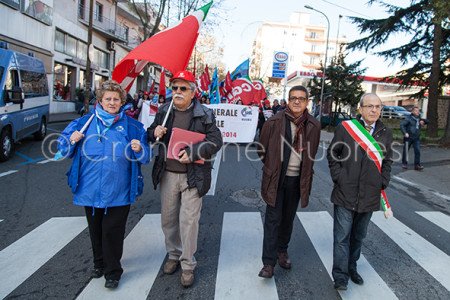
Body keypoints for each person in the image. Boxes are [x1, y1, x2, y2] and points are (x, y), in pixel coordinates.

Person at [57, 80, 150, 289]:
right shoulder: (84, 122)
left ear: (122, 102)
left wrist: (139, 148)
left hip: (120, 189)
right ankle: (98, 264)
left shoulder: (133, 127)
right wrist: (71, 140)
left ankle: (113, 272)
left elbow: (146, 156)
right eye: (107, 98)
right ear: (100, 100)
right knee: (95, 229)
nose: (112, 102)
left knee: (113, 231)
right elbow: (61, 149)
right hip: (89, 188)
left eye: (116, 99)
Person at [147, 70, 223, 287]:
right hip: (168, 174)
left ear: (193, 92)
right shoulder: (164, 110)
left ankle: (188, 264)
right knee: (168, 219)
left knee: (188, 222)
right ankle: (173, 255)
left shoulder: (205, 113)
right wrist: (154, 133)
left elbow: (216, 140)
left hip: (193, 176)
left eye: (183, 88)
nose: (178, 92)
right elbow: (150, 133)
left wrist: (194, 152)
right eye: (175, 88)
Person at [327, 93, 393, 290]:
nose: (374, 110)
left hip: (370, 194)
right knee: (341, 237)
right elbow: (333, 154)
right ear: (361, 108)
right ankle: (340, 276)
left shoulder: (385, 133)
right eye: (370, 106)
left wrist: (383, 181)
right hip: (345, 193)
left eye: (378, 107)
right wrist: (339, 177)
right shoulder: (346, 128)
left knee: (358, 236)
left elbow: (388, 160)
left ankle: (351, 267)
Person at [257, 85, 321, 278]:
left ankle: (281, 251)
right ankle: (268, 263)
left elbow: (312, 154)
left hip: (297, 180)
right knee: (272, 220)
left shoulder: (314, 125)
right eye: (293, 97)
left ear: (307, 102)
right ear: (287, 100)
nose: (296, 101)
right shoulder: (274, 122)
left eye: (301, 98)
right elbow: (262, 150)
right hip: (276, 179)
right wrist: (273, 167)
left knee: (287, 219)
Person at [400, 106, 428, 170]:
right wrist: (405, 133)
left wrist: (424, 122)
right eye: (416, 111)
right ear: (412, 111)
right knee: (406, 151)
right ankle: (404, 163)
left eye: (418, 111)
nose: (417, 112)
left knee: (417, 151)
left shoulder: (419, 119)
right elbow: (402, 125)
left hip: (416, 138)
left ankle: (417, 165)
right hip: (408, 137)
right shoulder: (408, 118)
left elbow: (427, 121)